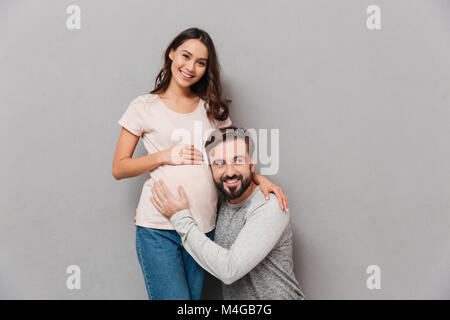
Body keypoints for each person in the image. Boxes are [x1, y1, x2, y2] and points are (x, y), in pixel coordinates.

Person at [112, 28, 289, 300]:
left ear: (207, 69)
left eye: (201, 62)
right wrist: (164, 156)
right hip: (159, 227)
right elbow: (119, 168)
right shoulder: (144, 106)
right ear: (171, 53)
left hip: (204, 227)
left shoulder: (212, 109)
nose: (190, 67)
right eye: (185, 56)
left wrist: (260, 179)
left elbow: (233, 156)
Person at [150, 126, 305, 300]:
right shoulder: (219, 202)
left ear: (251, 164)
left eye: (238, 161)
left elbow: (229, 270)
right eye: (220, 163)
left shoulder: (270, 205)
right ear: (210, 169)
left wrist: (179, 218)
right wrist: (156, 217)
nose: (229, 172)